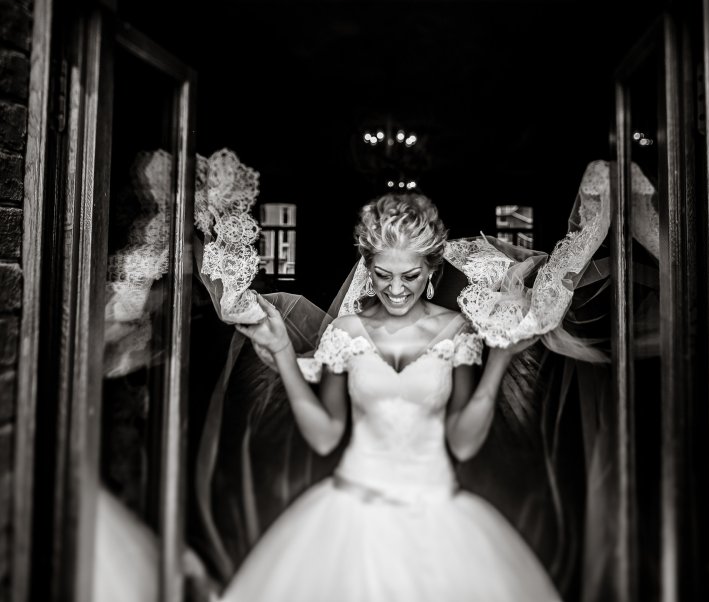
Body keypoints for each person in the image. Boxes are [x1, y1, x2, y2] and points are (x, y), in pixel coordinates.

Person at [220, 193, 561, 602]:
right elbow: (326, 437)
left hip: (437, 514)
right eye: (383, 275)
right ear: (367, 268)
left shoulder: (458, 330)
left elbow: (463, 444)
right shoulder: (345, 331)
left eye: (410, 276)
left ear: (431, 269)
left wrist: (500, 358)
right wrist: (281, 352)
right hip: (351, 511)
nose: (396, 289)